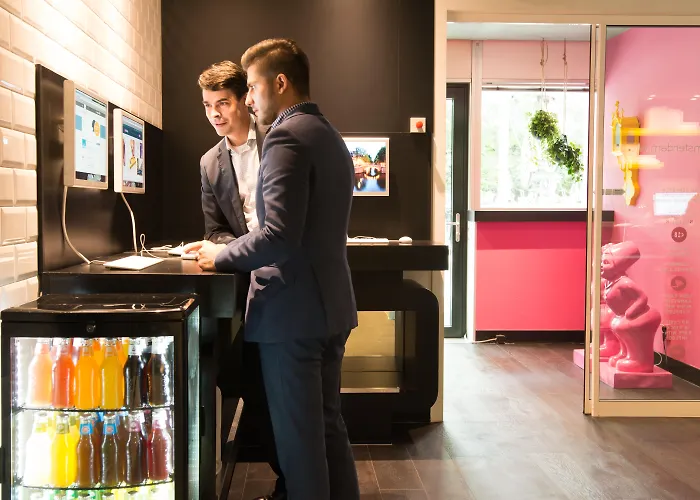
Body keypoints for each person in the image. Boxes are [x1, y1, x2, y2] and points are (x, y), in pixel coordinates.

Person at [184, 39, 360, 500]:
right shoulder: (327, 133)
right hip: (330, 307)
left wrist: (219, 256)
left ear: (279, 83)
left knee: (301, 448)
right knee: (328, 429)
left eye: (252, 88)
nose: (248, 100)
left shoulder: (284, 135)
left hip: (291, 312)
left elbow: (279, 235)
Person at [195, 60, 286, 500]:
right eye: (207, 105)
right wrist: (239, 248)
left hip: (289, 276)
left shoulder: (278, 139)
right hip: (251, 283)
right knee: (251, 383)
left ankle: (297, 481)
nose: (215, 113)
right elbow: (214, 230)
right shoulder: (209, 163)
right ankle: (287, 477)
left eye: (223, 103)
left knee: (288, 390)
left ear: (244, 101)